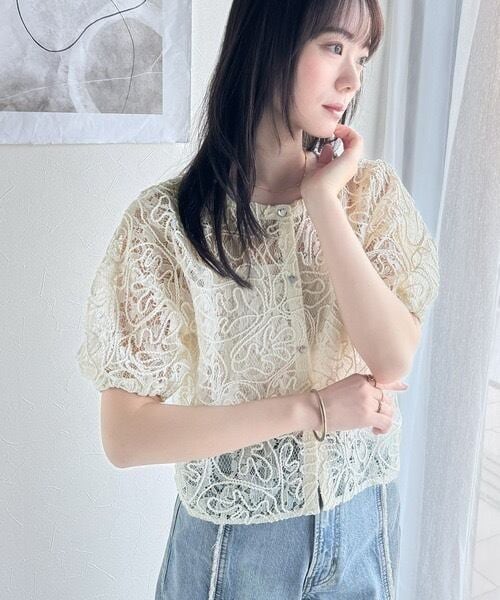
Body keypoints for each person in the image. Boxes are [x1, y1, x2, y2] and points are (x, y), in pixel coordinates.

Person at [76, 0, 440, 598]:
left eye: (362, 56)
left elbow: (393, 357)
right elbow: (126, 436)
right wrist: (314, 409)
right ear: (270, 42)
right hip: (234, 542)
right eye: (334, 47)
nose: (352, 80)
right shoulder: (167, 224)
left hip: (362, 520)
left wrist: (322, 202)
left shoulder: (367, 198)